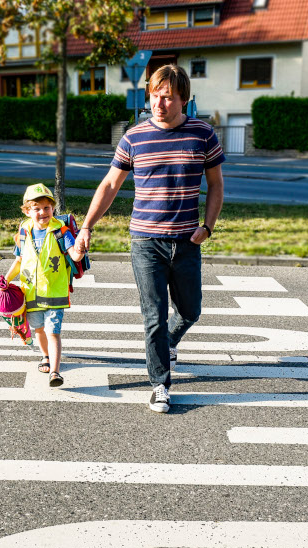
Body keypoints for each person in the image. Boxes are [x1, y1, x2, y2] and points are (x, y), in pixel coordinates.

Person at [75, 64, 224, 413]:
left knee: (190, 311)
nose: (159, 103)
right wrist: (86, 227)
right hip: (146, 242)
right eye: (155, 96)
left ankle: (170, 341)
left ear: (184, 100)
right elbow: (110, 185)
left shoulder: (203, 134)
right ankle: (159, 383)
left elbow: (216, 185)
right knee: (153, 314)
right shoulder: (134, 137)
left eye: (168, 97)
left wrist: (208, 227)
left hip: (188, 241)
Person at [4, 183, 85, 387]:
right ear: (27, 211)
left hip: (55, 292)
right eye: (37, 208)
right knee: (38, 329)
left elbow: (73, 254)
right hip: (30, 293)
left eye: (47, 208)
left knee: (53, 332)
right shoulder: (24, 231)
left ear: (53, 209)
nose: (42, 212)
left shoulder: (61, 231)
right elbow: (19, 260)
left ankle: (55, 372)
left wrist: (80, 250)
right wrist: (6, 279)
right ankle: (45, 357)